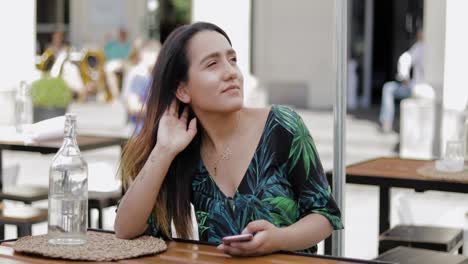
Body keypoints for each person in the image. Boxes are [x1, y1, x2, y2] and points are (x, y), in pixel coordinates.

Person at [114, 22, 343, 256]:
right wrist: (163, 150)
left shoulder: (282, 125)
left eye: (232, 60)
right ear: (182, 90)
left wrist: (278, 239)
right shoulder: (184, 148)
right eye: (212, 64)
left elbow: (325, 215)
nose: (231, 72)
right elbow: (125, 229)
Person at [379, 30, 424, 132]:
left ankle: (386, 122)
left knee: (388, 88)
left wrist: (404, 78)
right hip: (423, 89)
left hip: (417, 89)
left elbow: (404, 59)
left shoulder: (421, 46)